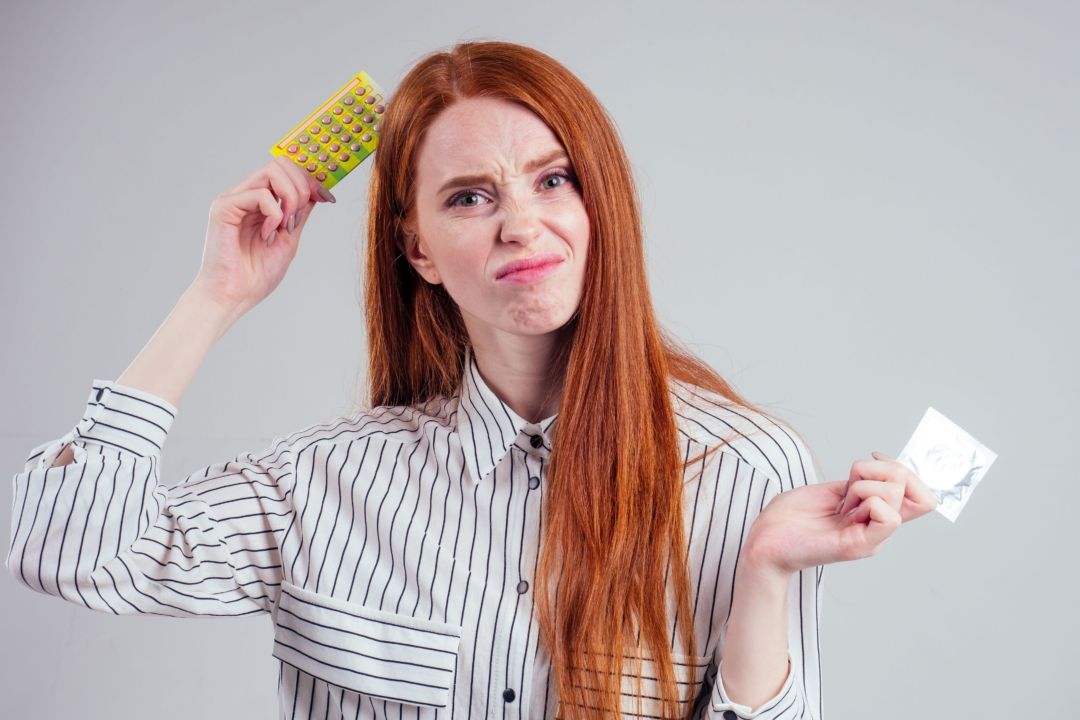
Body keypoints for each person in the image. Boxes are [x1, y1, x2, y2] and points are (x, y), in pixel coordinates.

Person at [6, 40, 938, 720]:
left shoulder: (745, 470)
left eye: (553, 180)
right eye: (469, 197)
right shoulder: (322, 483)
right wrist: (213, 298)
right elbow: (65, 549)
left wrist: (765, 571)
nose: (521, 226)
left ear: (601, 204)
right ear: (418, 249)